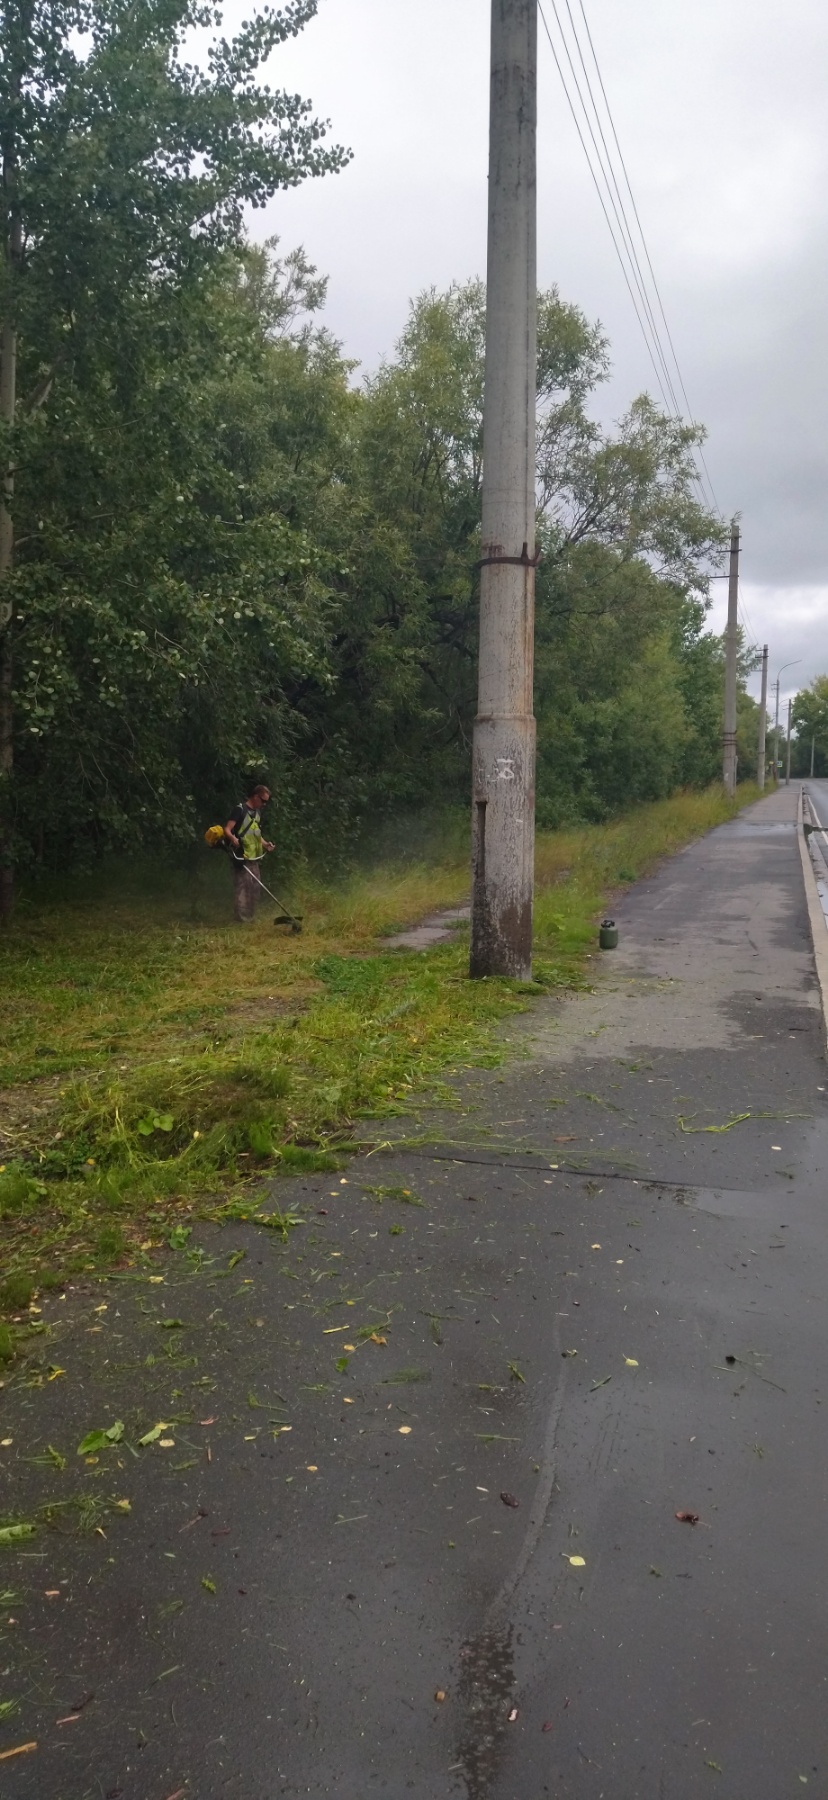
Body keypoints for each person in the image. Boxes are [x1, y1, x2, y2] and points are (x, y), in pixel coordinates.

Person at [224, 784, 274, 922]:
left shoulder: (257, 812)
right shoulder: (240, 809)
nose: (264, 804)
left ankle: (250, 916)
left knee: (255, 887)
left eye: (266, 802)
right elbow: (227, 829)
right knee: (243, 887)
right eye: (263, 800)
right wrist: (233, 839)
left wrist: (265, 844)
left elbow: (255, 833)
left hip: (254, 856)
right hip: (241, 855)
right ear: (255, 796)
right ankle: (241, 919)